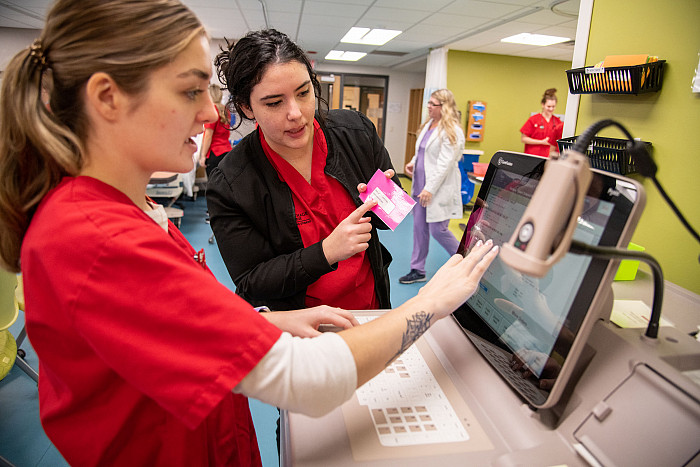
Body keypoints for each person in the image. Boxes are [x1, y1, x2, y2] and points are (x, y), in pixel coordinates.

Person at [0, 1, 498, 465]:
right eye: (190, 91)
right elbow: (307, 377)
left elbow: (179, 323)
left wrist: (264, 324)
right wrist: (430, 304)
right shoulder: (99, 240)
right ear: (108, 98)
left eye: (303, 93)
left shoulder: (130, 209)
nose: (210, 115)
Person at [207, 29, 399, 311]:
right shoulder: (231, 182)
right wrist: (326, 252)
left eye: (303, 92)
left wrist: (382, 201)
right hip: (300, 325)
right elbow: (251, 280)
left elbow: (392, 214)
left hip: (370, 307)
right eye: (274, 102)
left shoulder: (356, 133)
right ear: (247, 108)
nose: (296, 113)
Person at [400, 89, 466, 284]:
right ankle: (417, 269)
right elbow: (423, 151)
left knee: (438, 230)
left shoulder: (452, 130)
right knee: (419, 228)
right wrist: (413, 162)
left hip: (437, 188)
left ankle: (465, 261)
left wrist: (430, 189)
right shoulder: (429, 125)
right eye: (428, 103)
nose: (428, 107)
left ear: (444, 107)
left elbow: (445, 163)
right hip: (420, 184)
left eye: (433, 104)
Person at [197, 83, 232, 177]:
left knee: (214, 186)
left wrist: (203, 156)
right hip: (226, 151)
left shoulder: (211, 111)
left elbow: (208, 136)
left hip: (215, 153)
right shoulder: (225, 110)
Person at [520, 88, 563, 158]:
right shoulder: (533, 119)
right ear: (543, 105)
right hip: (533, 156)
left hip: (549, 158)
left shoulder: (558, 121)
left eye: (553, 107)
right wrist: (541, 142)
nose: (551, 109)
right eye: (548, 106)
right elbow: (523, 139)